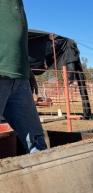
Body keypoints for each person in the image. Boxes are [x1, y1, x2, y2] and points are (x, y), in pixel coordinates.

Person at [0, 0, 47, 153]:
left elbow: (15, 40)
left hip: (20, 78)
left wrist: (28, 70)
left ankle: (43, 176)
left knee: (37, 144)